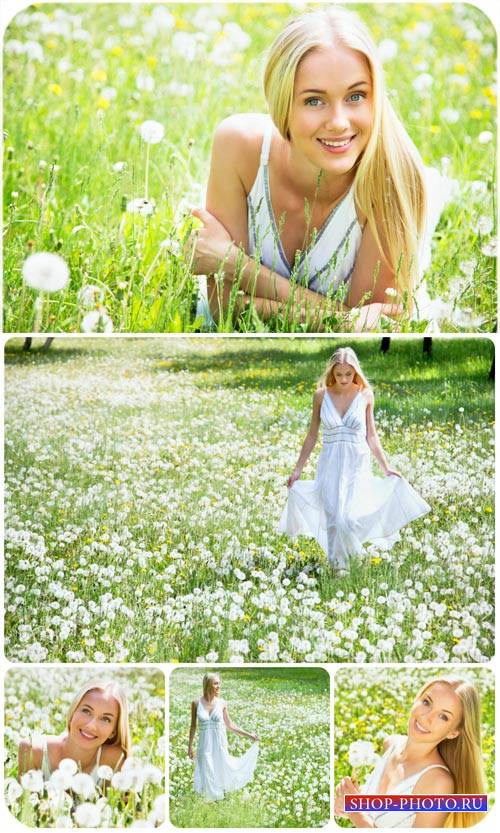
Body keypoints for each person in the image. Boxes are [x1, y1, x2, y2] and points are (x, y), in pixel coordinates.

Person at [190, 5, 452, 330]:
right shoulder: (237, 146)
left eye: (356, 96)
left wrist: (239, 267)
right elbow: (224, 309)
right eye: (314, 100)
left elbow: (366, 333)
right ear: (281, 102)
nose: (339, 123)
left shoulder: (395, 178)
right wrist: (340, 317)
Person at [278, 347, 430, 570]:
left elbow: (371, 434)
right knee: (333, 518)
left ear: (355, 372)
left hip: (356, 462)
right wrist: (298, 470)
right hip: (329, 463)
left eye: (348, 374)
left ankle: (352, 561)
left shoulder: (365, 395)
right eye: (339, 374)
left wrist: (386, 467)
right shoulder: (321, 396)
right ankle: (337, 567)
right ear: (332, 372)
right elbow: (312, 435)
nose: (343, 379)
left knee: (347, 518)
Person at [334, 676, 488, 828]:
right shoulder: (391, 744)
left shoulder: (438, 783)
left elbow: (363, 818)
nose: (426, 717)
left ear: (454, 732)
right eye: (427, 702)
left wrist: (355, 811)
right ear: (416, 699)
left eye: (443, 716)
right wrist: (345, 803)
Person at [18, 679, 130, 785]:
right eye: (86, 711)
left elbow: (120, 803)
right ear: (73, 712)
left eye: (105, 719)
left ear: (113, 731)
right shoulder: (33, 750)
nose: (91, 726)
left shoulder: (114, 760)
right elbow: (24, 803)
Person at [188, 673, 259, 801]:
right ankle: (211, 799)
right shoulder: (196, 703)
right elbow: (193, 726)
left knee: (222, 767)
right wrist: (190, 747)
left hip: (219, 743)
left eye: (219, 683)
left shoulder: (222, 703)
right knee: (207, 768)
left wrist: (250, 735)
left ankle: (218, 797)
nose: (218, 686)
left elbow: (230, 725)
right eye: (216, 683)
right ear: (207, 684)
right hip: (204, 744)